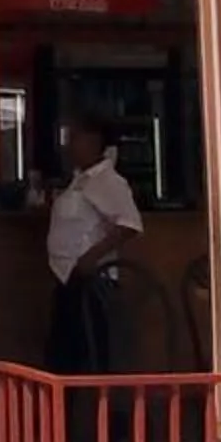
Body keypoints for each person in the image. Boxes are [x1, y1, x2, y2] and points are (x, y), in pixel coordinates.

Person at [45, 117, 143, 379]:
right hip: (68, 278)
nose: (70, 146)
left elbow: (129, 224)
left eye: (75, 138)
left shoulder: (108, 181)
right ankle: (63, 417)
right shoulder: (79, 180)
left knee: (97, 359)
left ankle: (113, 418)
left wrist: (92, 257)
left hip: (92, 281)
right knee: (64, 360)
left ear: (93, 141)